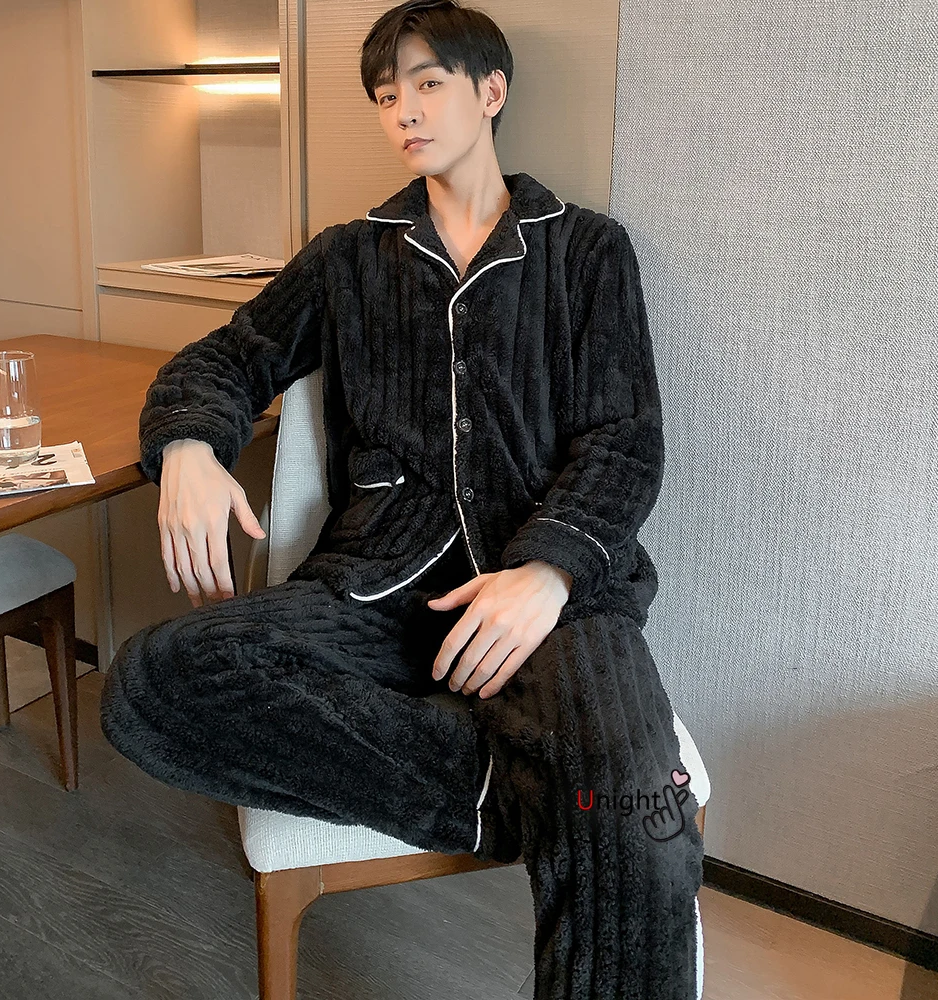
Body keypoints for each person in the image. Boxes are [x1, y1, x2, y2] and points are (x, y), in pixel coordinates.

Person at [100, 2, 706, 997]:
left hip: (548, 600)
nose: (405, 112)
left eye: (427, 84)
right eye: (387, 96)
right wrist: (189, 447)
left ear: (490, 92)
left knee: (640, 830)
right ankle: (515, 785)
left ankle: (586, 796)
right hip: (378, 586)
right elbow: (228, 357)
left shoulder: (586, 250)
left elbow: (625, 442)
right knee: (152, 682)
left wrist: (549, 571)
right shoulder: (349, 256)